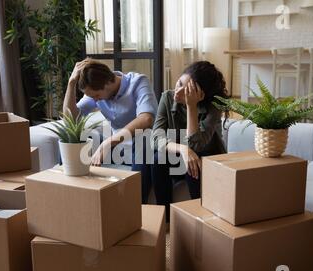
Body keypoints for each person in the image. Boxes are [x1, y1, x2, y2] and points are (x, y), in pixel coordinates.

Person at [63, 59, 158, 203]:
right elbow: (71, 119)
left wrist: (108, 142)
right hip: (118, 149)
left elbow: (146, 119)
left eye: (96, 96)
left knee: (143, 142)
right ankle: (74, 199)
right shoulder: (96, 91)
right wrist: (71, 84)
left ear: (108, 82)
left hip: (144, 147)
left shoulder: (138, 82)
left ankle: (136, 207)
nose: (95, 99)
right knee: (73, 140)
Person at [151, 61, 229, 219]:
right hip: (179, 156)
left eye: (185, 91)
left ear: (201, 95)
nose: (177, 92)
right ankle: (164, 220)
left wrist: (191, 106)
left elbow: (196, 145)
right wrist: (183, 149)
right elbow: (155, 137)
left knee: (194, 166)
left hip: (206, 158)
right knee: (157, 159)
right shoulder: (167, 97)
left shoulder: (214, 107)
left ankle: (200, 220)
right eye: (179, 83)